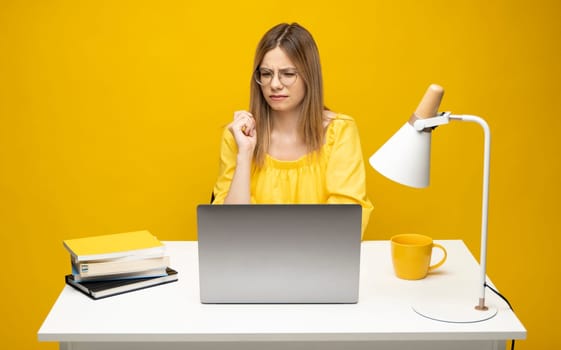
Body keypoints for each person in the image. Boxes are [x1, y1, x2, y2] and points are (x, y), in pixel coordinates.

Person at [211, 22, 373, 235]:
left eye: (288, 74)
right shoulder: (238, 135)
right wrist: (245, 154)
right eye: (266, 73)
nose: (275, 84)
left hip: (318, 259)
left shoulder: (340, 131)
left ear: (309, 76)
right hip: (252, 261)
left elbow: (346, 223)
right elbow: (228, 229)